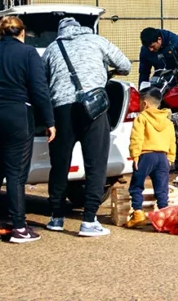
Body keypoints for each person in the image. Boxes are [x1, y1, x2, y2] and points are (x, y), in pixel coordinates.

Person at [43, 17, 131, 237]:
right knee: (95, 164)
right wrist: (104, 72)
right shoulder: (97, 41)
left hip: (61, 110)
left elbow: (42, 80)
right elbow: (125, 65)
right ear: (82, 28)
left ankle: (56, 218)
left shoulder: (52, 48)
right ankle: (89, 220)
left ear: (60, 31)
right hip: (93, 109)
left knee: (60, 164)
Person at [0, 15, 56, 244]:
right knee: (15, 172)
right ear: (22, 33)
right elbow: (40, 89)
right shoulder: (29, 54)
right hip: (16, 114)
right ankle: (19, 227)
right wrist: (49, 121)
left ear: (0, 32)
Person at [125, 87, 176, 229]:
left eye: (140, 103)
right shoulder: (168, 122)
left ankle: (138, 213)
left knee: (137, 185)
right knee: (162, 189)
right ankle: (163, 217)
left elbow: (137, 138)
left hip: (146, 156)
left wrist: (135, 155)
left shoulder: (141, 118)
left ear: (145, 104)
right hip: (163, 157)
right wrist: (171, 157)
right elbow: (172, 141)